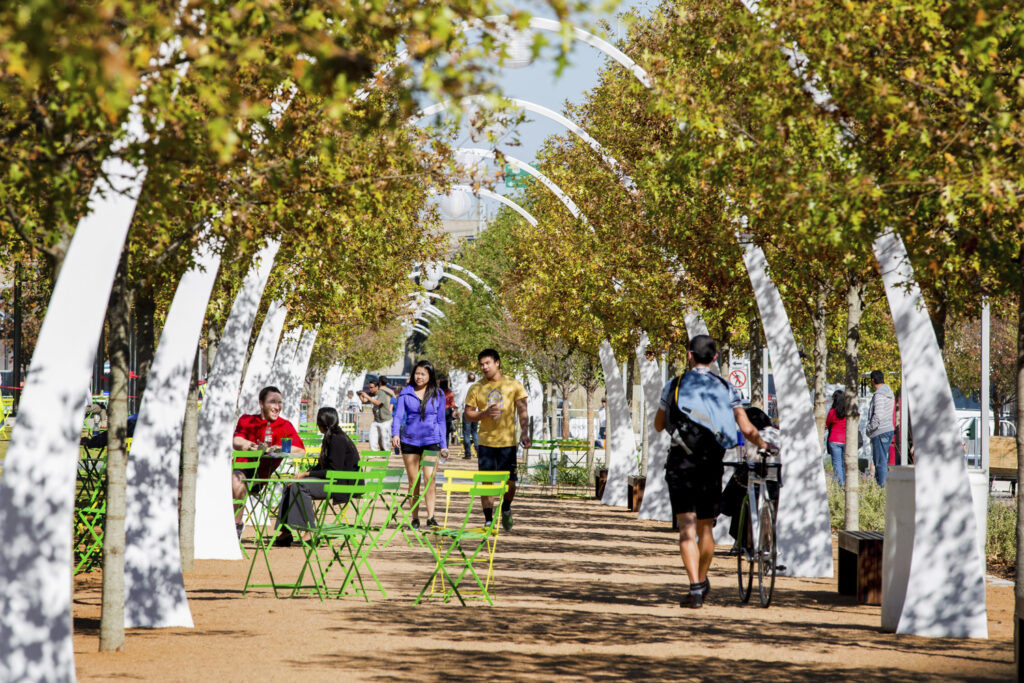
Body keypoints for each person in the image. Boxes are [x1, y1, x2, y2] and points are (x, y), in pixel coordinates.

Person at [653, 335, 773, 609]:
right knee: (706, 527)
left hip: (681, 463)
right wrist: (763, 443)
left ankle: (696, 587)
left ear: (689, 355)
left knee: (686, 528)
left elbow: (659, 425)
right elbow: (746, 428)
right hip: (711, 464)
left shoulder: (674, 385)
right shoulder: (727, 388)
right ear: (716, 358)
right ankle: (702, 578)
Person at [272, 407, 360, 547]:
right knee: (291, 484)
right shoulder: (331, 437)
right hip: (334, 480)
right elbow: (322, 467)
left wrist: (306, 474)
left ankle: (310, 530)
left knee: (300, 486)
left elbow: (333, 471)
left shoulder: (337, 439)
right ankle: (286, 531)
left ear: (322, 422)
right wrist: (303, 475)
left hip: (342, 484)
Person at [463, 348, 530, 531]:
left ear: (497, 362)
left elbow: (523, 411)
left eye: (487, 363)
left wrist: (524, 431)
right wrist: (483, 413)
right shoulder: (476, 387)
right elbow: (468, 414)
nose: (484, 367)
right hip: (485, 443)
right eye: (481, 364)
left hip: (508, 443)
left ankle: (506, 507)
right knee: (487, 483)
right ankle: (487, 520)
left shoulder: (514, 384)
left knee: (511, 483)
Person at [232, 386, 305, 537]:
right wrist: (252, 446)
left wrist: (280, 449)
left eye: (280, 403)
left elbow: (301, 450)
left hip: (258, 477)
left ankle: (236, 525)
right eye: (273, 402)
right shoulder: (247, 420)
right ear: (261, 404)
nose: (277, 407)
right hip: (240, 467)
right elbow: (236, 440)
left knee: (236, 480)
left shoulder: (285, 425)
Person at [392, 360, 449, 528]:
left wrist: (443, 445)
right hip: (409, 441)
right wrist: (395, 433)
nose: (419, 377)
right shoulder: (405, 393)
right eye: (417, 373)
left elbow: (441, 420)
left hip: (432, 441)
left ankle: (431, 517)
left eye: (423, 374)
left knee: (429, 479)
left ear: (430, 376)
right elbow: (398, 415)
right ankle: (415, 517)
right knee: (413, 481)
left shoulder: (438, 394)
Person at [867, 370, 895, 487]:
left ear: (873, 380)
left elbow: (877, 415)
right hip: (888, 429)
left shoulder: (879, 394)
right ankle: (882, 486)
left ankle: (882, 488)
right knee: (883, 460)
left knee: (880, 462)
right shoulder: (890, 392)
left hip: (880, 431)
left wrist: (869, 428)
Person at [359, 379, 394, 451]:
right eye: (369, 387)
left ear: (377, 387)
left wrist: (367, 396)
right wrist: (360, 395)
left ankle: (387, 453)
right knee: (372, 436)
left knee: (385, 438)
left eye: (372, 387)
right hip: (377, 420)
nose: (370, 389)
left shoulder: (382, 394)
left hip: (385, 420)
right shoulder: (371, 394)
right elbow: (364, 401)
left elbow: (377, 403)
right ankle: (374, 452)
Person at [825, 389, 847, 485]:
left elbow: (827, 424)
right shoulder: (848, 412)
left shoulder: (832, 412)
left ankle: (840, 485)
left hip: (834, 440)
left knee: (837, 463)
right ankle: (846, 483)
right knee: (844, 463)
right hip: (846, 440)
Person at [456, 372, 479, 458]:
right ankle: (478, 449)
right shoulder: (477, 387)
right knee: (474, 432)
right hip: (476, 412)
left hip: (467, 412)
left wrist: (457, 409)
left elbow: (460, 399)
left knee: (466, 433)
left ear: (467, 379)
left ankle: (468, 453)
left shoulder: (465, 387)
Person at [440, 377, 457, 446]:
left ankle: (440, 447)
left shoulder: (438, 392)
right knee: (446, 432)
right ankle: (445, 448)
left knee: (440, 431)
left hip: (439, 412)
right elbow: (452, 403)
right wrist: (455, 409)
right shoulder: (449, 392)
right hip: (447, 411)